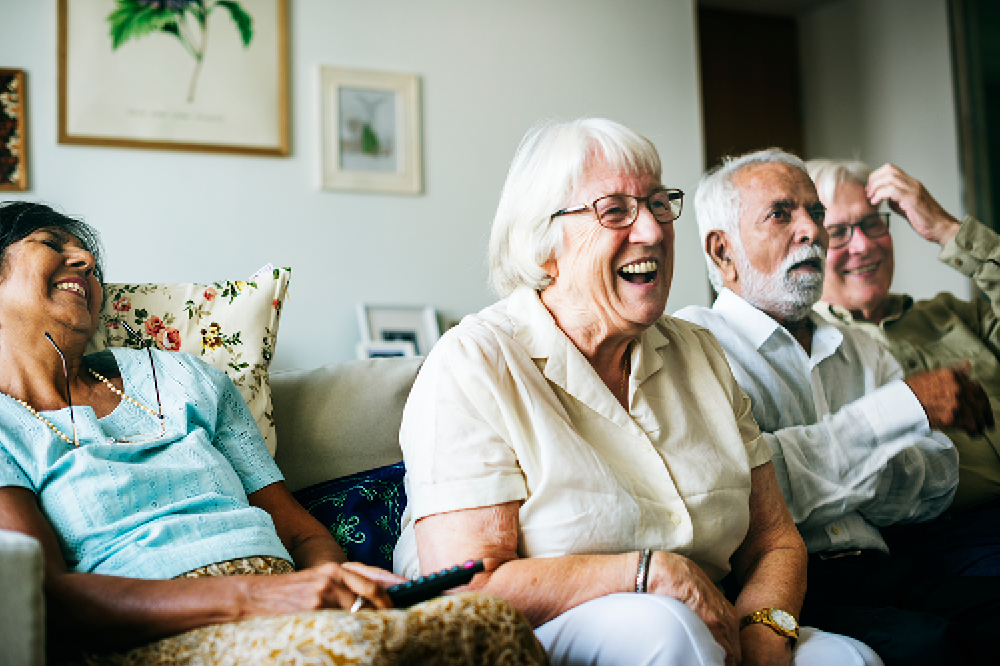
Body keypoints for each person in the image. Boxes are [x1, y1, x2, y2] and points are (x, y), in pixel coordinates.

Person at [392, 118, 880, 666]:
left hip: (713, 621)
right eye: (616, 211)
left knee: (850, 659)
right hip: (548, 636)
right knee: (664, 629)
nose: (652, 231)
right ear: (544, 241)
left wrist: (765, 628)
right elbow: (466, 587)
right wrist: (650, 573)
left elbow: (774, 541)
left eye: (657, 204)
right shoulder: (475, 362)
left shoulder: (699, 351)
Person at [0, 201, 546, 666]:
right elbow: (45, 594)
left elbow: (301, 533)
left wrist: (329, 586)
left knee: (491, 620)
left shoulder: (184, 377)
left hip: (291, 600)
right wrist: (260, 597)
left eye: (91, 261)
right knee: (342, 655)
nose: (88, 262)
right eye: (53, 244)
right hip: (159, 630)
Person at [674, 148, 1000, 666]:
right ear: (722, 251)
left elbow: (935, 481)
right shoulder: (694, 345)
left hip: (889, 567)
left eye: (815, 213)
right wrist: (896, 415)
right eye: (782, 214)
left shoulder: (861, 347)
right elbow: (747, 496)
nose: (812, 230)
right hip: (789, 591)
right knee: (933, 650)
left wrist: (816, 465)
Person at [807, 159, 1000, 517]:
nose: (863, 245)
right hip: (948, 540)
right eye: (837, 233)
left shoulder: (953, 314)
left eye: (872, 223)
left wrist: (946, 230)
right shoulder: (812, 352)